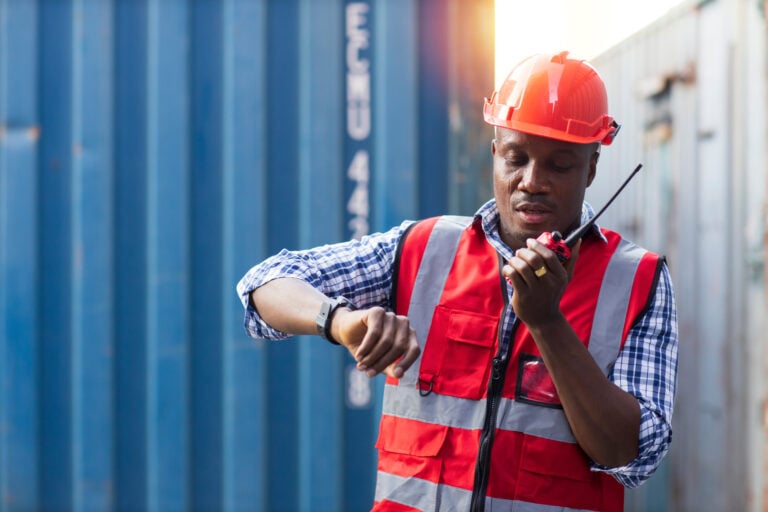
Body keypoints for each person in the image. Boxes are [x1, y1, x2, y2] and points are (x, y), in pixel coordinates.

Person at [237, 51, 678, 512]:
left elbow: (632, 454)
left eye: (560, 165)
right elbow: (263, 285)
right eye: (516, 157)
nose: (532, 181)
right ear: (494, 155)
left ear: (591, 168)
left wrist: (547, 322)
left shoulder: (636, 280)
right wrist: (342, 322)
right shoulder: (424, 249)